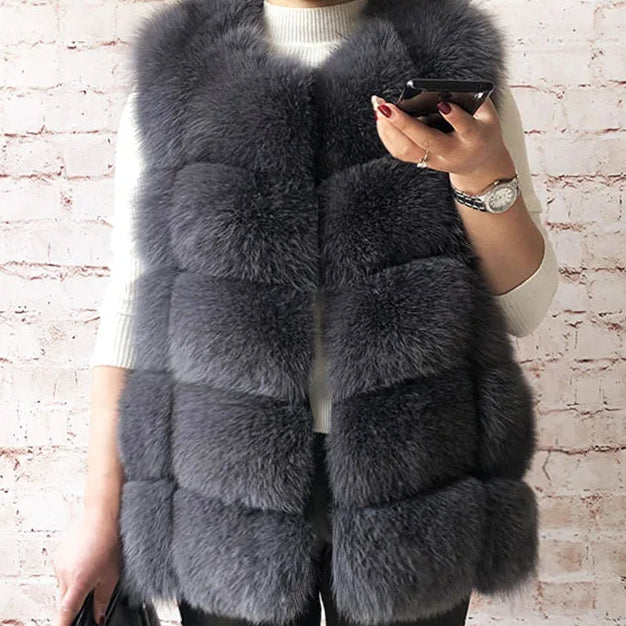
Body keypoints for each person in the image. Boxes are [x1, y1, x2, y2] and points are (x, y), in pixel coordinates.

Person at [52, 1, 559, 625]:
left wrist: (479, 171)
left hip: (414, 482)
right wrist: (98, 515)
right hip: (224, 488)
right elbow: (131, 306)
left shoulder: (449, 70)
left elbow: (525, 306)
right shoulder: (177, 78)